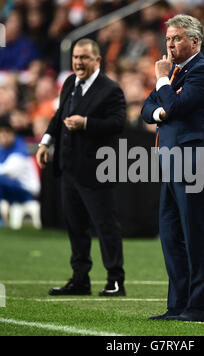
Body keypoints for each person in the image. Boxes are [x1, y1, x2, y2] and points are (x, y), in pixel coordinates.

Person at [141, 15, 204, 322]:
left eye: (176, 38)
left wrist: (162, 83)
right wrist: (163, 105)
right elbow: (146, 111)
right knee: (171, 235)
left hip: (196, 164)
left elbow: (174, 107)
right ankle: (178, 306)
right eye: (168, 39)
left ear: (195, 41)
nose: (170, 44)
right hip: (173, 165)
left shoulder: (201, 71)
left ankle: (200, 308)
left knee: (194, 236)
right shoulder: (176, 74)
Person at [36, 39, 126, 297]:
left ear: (97, 60)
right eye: (76, 57)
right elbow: (58, 117)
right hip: (69, 169)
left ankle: (115, 280)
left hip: (98, 170)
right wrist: (45, 142)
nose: (78, 62)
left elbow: (118, 124)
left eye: (84, 57)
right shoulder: (68, 84)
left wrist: (86, 123)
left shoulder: (110, 89)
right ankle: (80, 279)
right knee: (75, 227)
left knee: (105, 226)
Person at [0, 116, 40, 212]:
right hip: (11, 187)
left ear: (12, 134)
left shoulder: (20, 148)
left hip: (27, 190)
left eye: (6, 133)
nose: (3, 137)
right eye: (1, 134)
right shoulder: (3, 149)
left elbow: (9, 172)